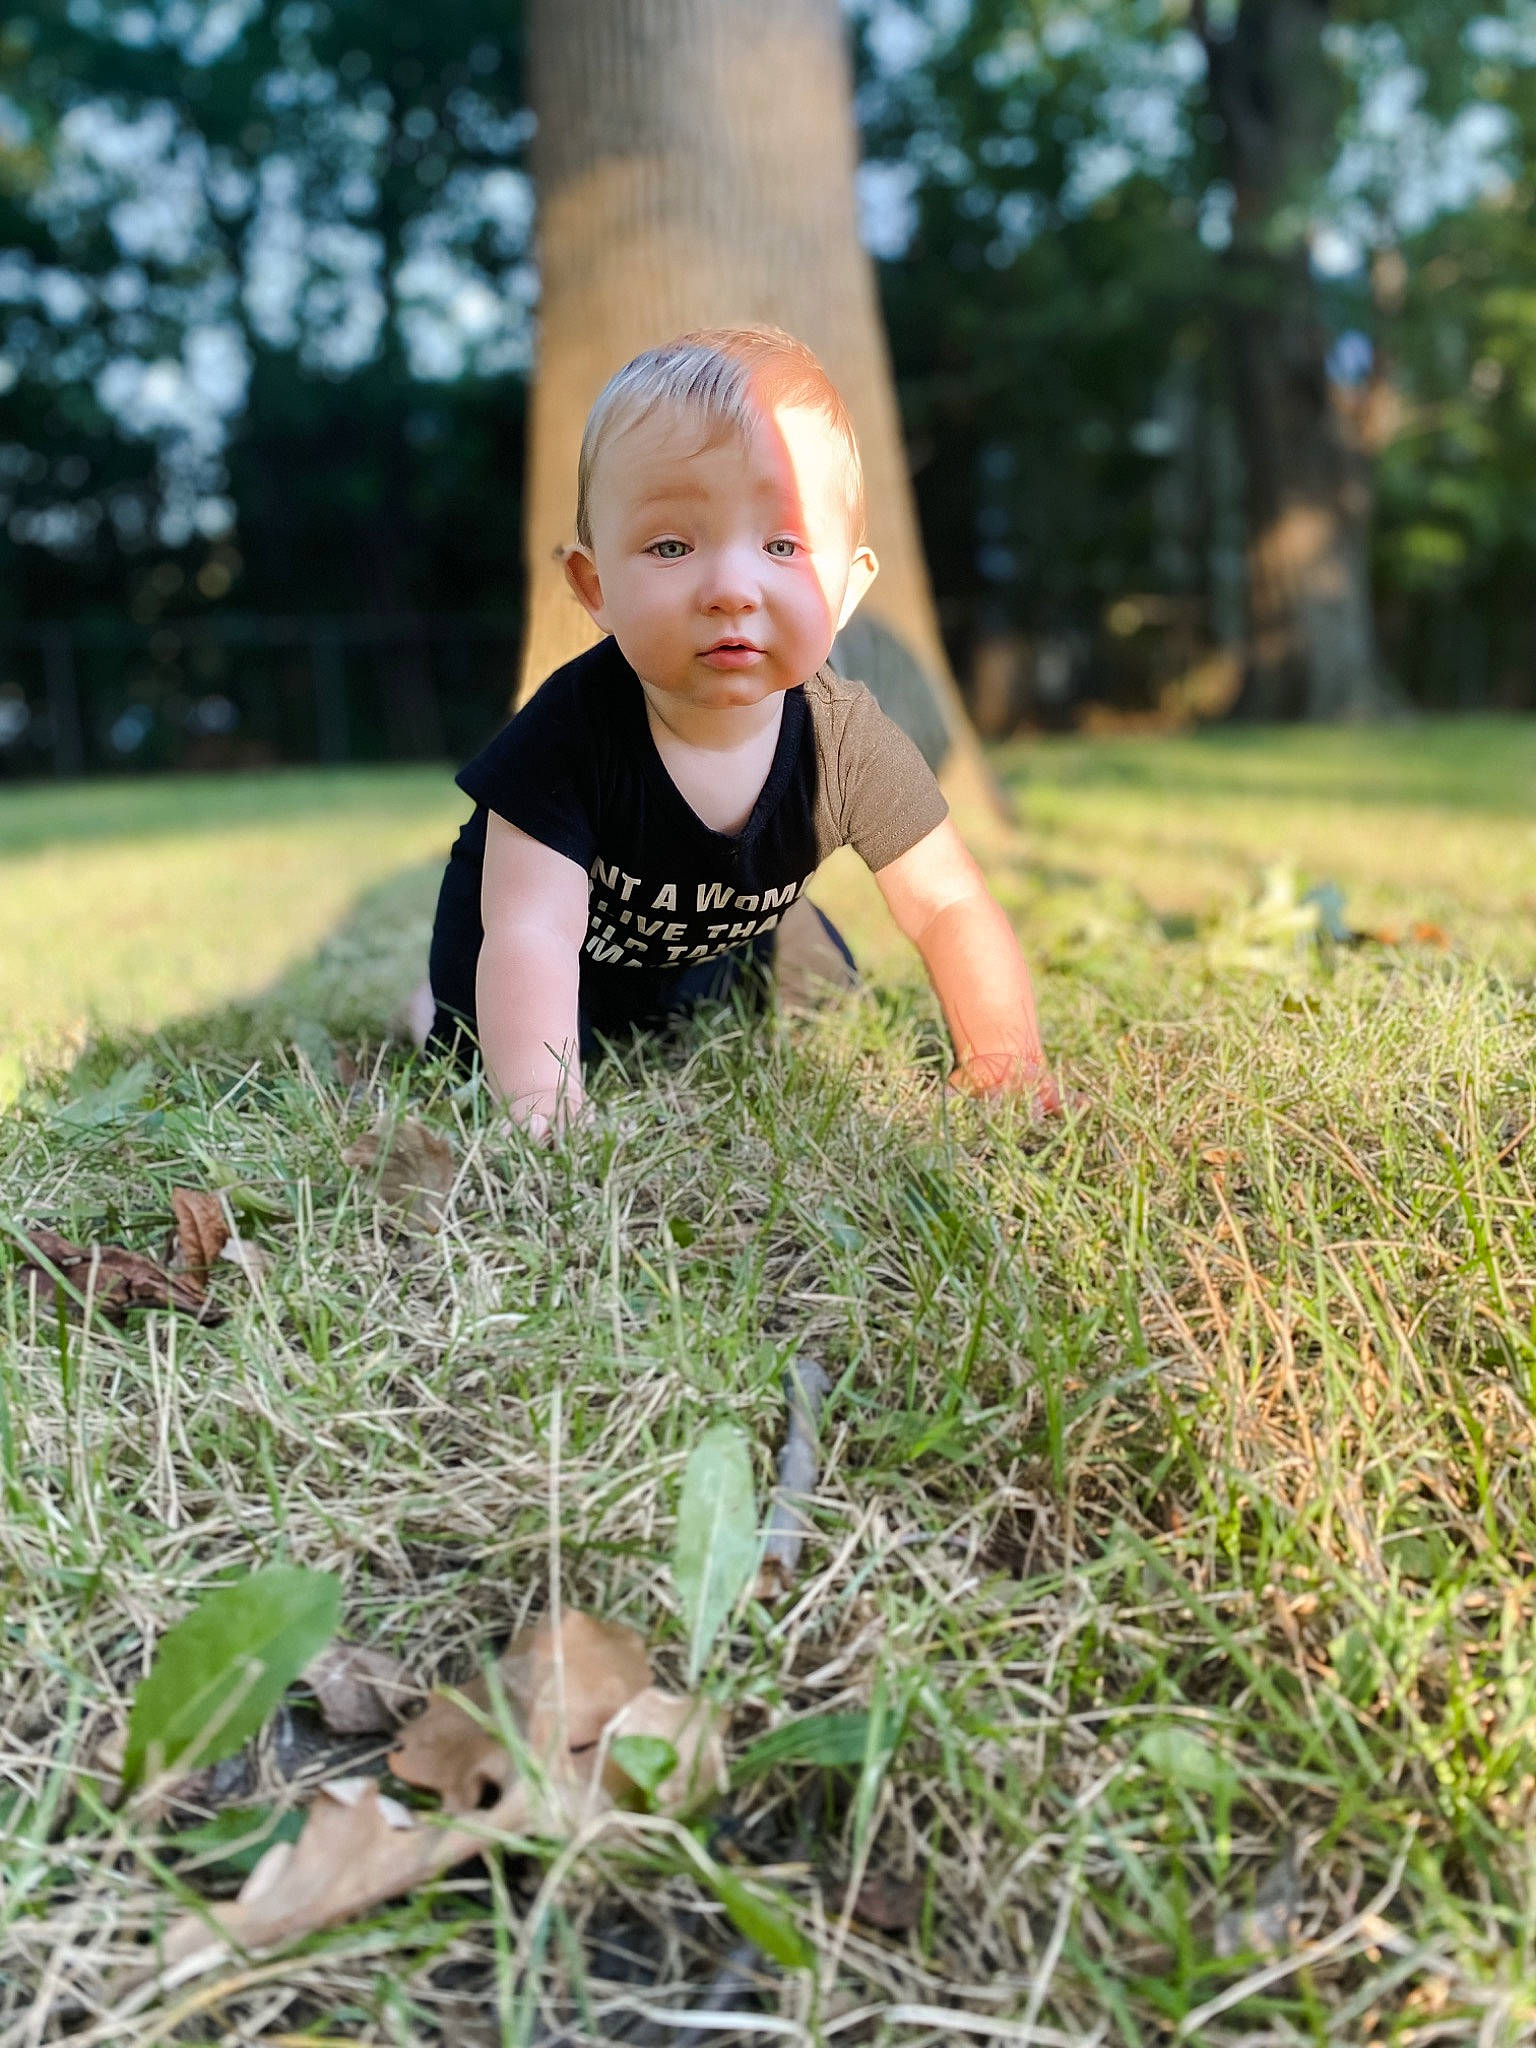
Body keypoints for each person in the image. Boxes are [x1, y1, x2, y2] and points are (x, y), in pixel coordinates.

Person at [423, 326, 1060, 1137]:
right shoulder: (565, 736)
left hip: (711, 948)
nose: (731, 587)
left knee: (824, 991)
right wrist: (545, 1117)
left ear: (847, 588)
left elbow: (946, 901)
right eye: (670, 545)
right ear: (595, 585)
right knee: (468, 1049)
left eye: (783, 544)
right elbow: (531, 931)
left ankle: (746, 964)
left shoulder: (845, 743)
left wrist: (1003, 1058)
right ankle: (425, 1007)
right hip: (547, 967)